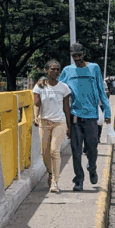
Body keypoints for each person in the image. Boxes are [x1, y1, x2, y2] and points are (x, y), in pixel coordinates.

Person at [59, 43, 111, 191]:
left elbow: (101, 90)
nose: (77, 58)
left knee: (92, 148)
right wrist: (43, 81)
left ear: (84, 54)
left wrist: (107, 111)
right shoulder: (67, 71)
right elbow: (58, 87)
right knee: (76, 151)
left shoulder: (94, 68)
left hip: (91, 116)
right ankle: (78, 180)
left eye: (79, 55)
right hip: (75, 116)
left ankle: (92, 167)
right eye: (74, 56)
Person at [33, 61, 71, 193]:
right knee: (44, 152)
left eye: (58, 69)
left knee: (55, 151)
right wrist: (35, 117)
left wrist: (69, 126)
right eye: (53, 69)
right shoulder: (40, 86)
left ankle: (55, 181)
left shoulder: (64, 87)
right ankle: (50, 172)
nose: (56, 72)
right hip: (44, 122)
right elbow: (36, 103)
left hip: (59, 122)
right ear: (47, 70)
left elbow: (67, 108)